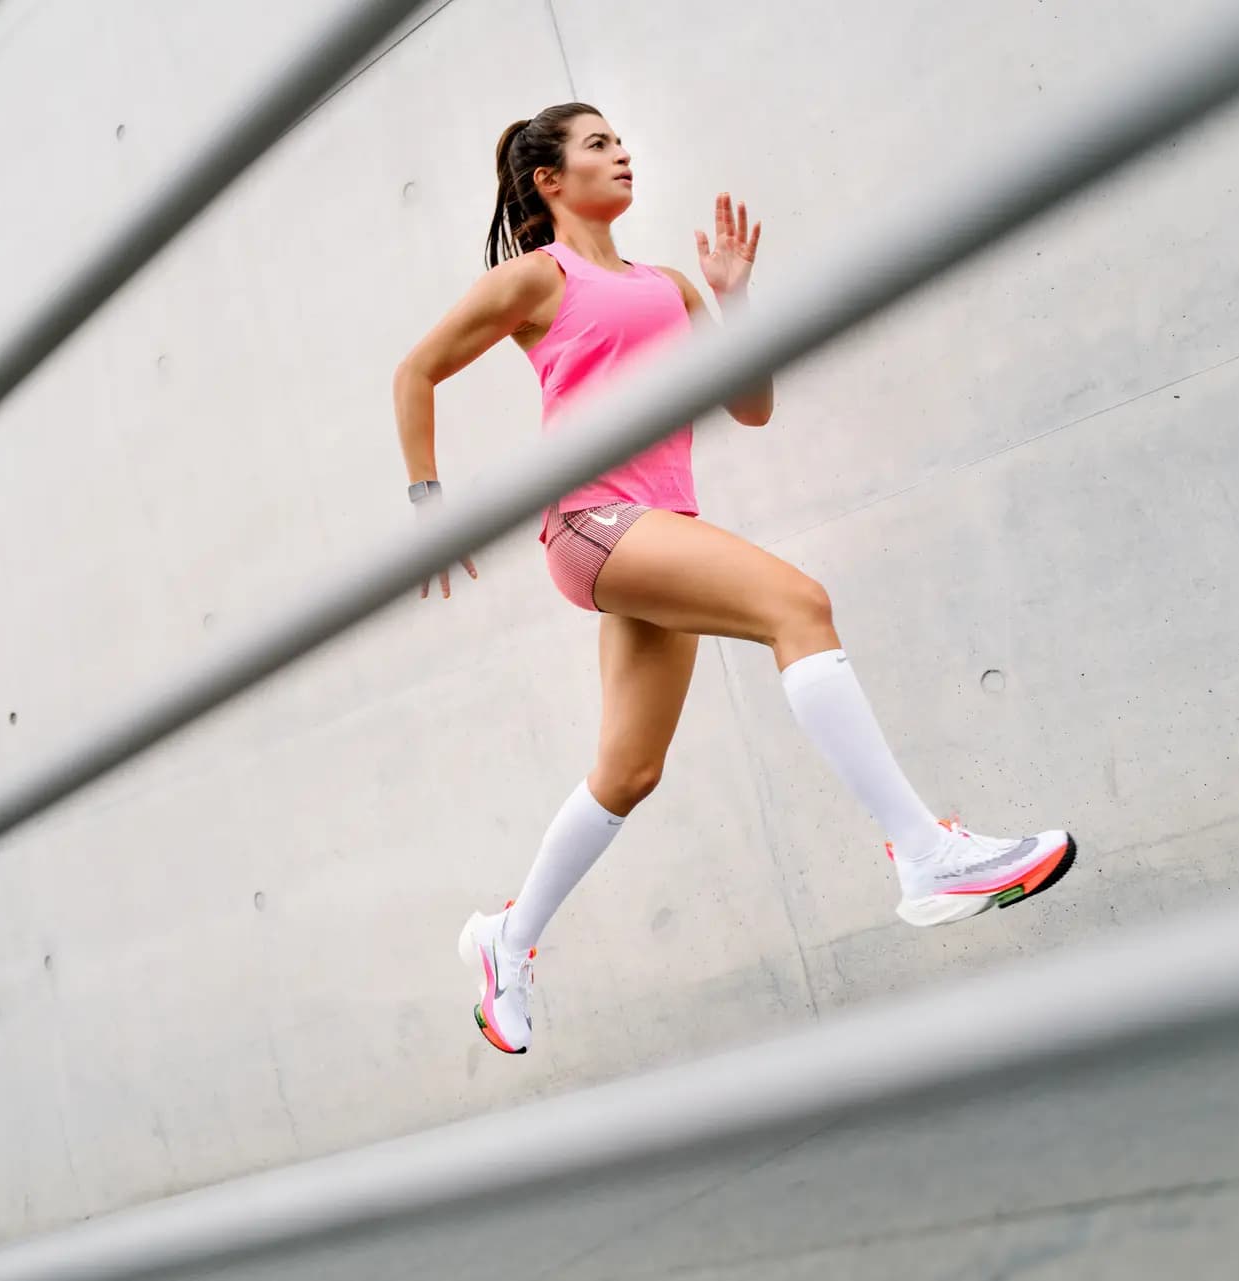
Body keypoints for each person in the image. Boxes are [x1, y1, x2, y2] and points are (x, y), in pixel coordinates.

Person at [391, 103, 1075, 1056]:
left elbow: (748, 406)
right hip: (593, 523)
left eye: (621, 139)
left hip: (658, 527)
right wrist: (430, 506)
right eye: (597, 145)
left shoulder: (668, 281)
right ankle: (925, 855)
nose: (621, 152)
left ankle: (508, 939)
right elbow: (417, 370)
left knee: (628, 771)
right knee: (797, 604)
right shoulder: (539, 277)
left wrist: (731, 295)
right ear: (550, 181)